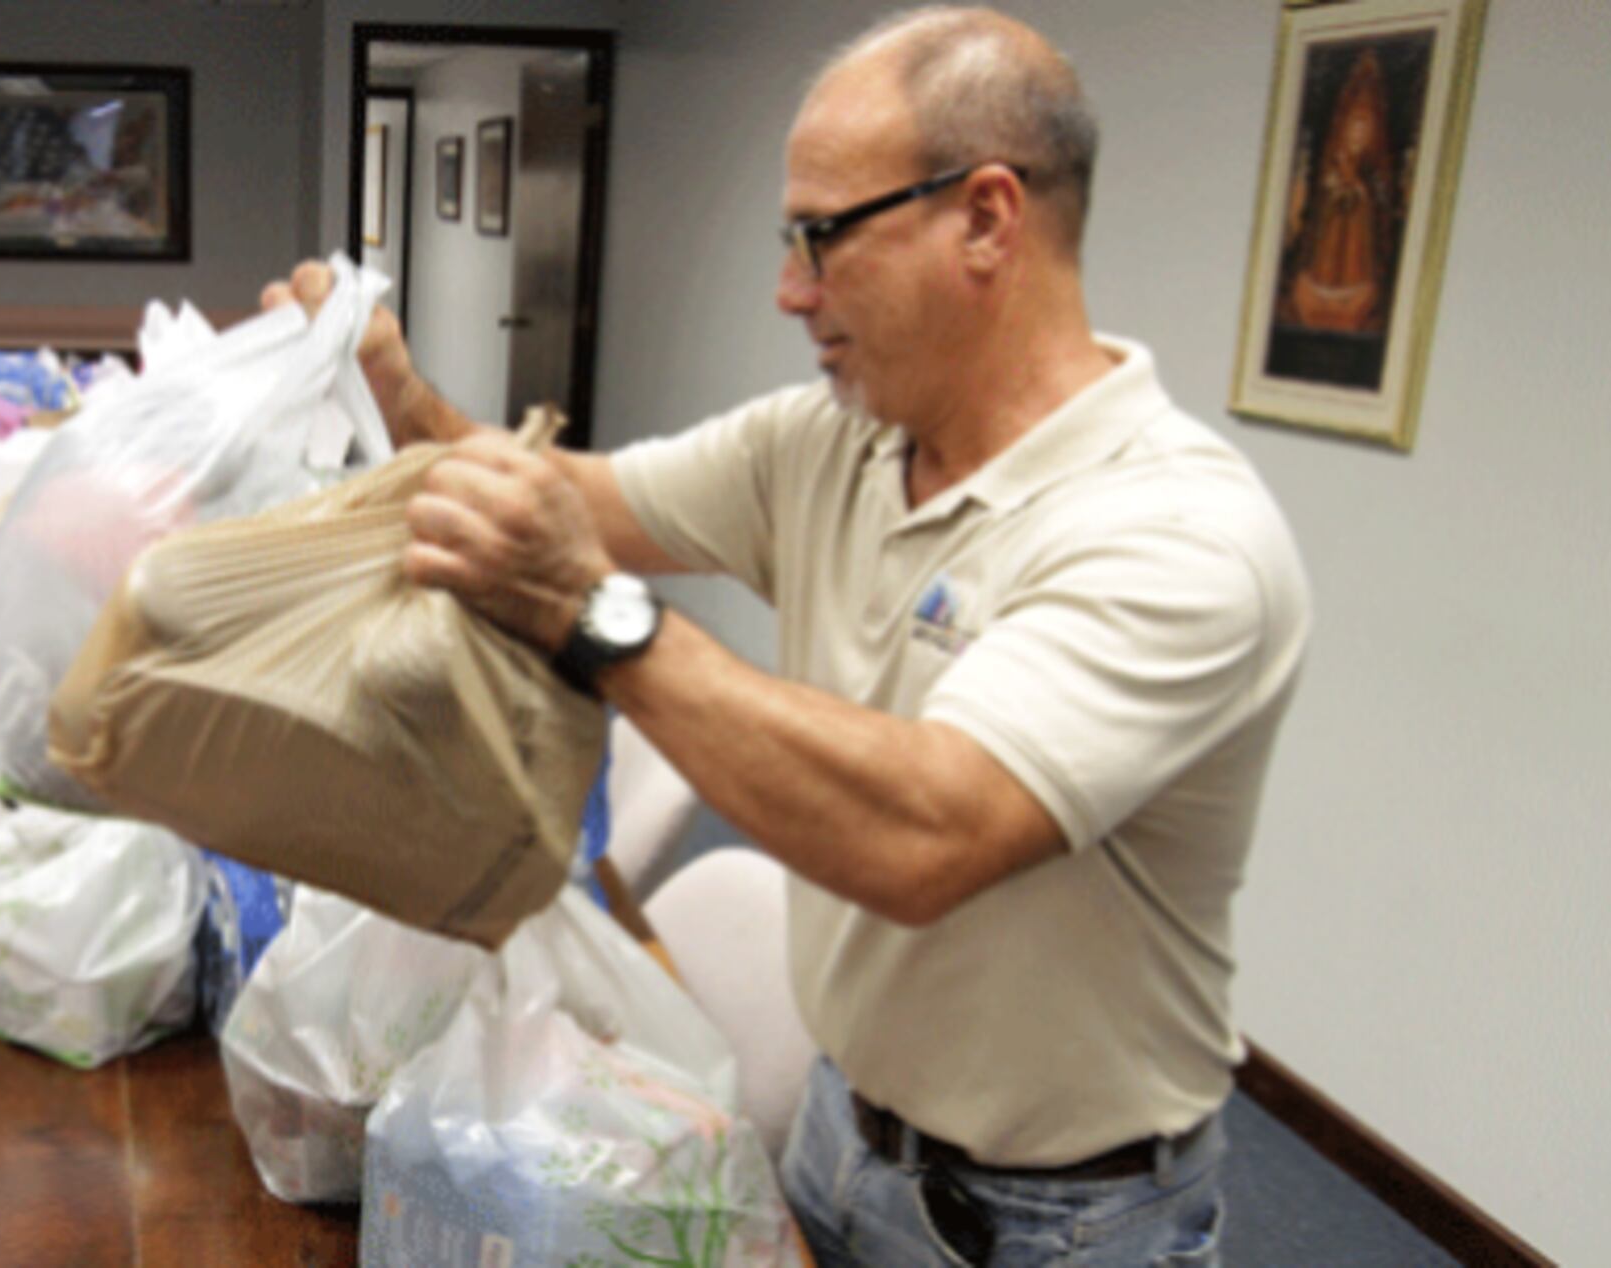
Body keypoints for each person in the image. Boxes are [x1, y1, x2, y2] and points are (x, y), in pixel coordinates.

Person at [262, 7, 1309, 1265]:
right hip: (838, 1125)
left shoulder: (1175, 532)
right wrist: (398, 391)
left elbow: (925, 832)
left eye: (823, 235)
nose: (789, 288)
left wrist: (594, 615)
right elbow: (566, 500)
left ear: (985, 217)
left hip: (1058, 1219)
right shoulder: (828, 443)